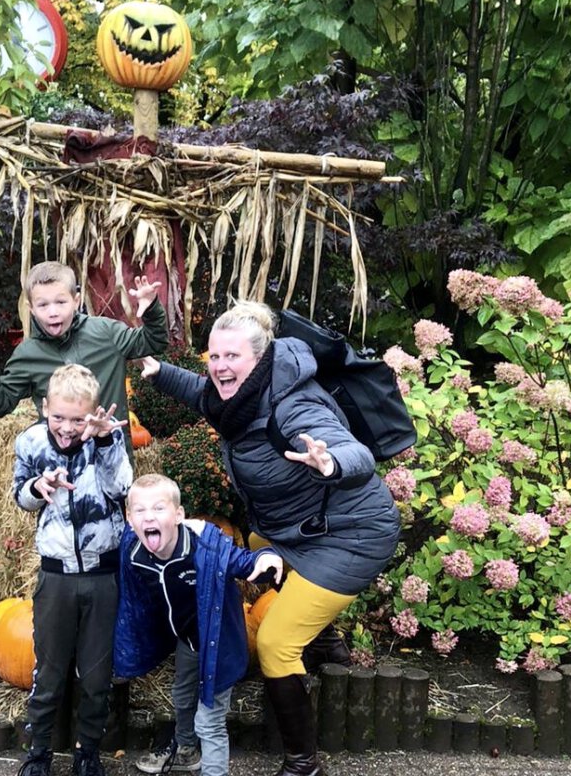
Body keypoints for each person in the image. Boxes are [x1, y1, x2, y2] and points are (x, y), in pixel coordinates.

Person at [139, 301, 401, 776]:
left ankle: (304, 762)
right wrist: (157, 371)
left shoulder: (292, 404)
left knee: (276, 643)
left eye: (232, 357)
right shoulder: (235, 398)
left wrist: (331, 463)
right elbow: (202, 393)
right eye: (214, 356)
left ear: (258, 359)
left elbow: (354, 451)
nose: (220, 366)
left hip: (352, 534)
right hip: (295, 531)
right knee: (255, 554)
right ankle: (325, 643)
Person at [113, 473, 283, 776]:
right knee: (182, 696)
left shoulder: (205, 548)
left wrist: (266, 559)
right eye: (140, 511)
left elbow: (242, 560)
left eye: (159, 509)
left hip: (219, 644)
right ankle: (186, 751)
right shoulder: (133, 552)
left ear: (178, 515)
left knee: (210, 721)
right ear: (129, 518)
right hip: (188, 639)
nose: (149, 516)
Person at [12, 364, 133, 776]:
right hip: (56, 575)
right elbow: (20, 494)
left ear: (94, 414)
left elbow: (122, 489)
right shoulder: (30, 442)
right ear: (45, 407)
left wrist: (103, 441)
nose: (66, 427)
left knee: (97, 675)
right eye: (58, 417)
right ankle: (39, 752)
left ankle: (88, 752)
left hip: (102, 574)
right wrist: (35, 489)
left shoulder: (106, 440)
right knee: (48, 673)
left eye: (78, 419)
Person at [0, 260, 168, 456]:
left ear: (76, 300)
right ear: (31, 308)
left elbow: (154, 341)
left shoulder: (106, 333)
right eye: (43, 305)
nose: (53, 312)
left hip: (109, 459)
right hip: (58, 466)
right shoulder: (27, 355)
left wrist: (150, 309)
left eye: (61, 302)